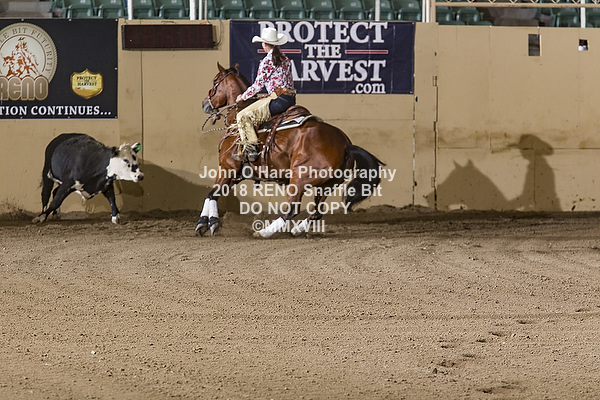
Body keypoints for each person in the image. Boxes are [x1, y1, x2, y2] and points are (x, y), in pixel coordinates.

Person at [232, 27, 296, 162]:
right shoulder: (285, 59)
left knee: (242, 116)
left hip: (278, 99)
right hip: (290, 98)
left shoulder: (267, 61)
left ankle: (251, 148)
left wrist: (242, 97)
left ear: (264, 44)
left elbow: (258, 85)